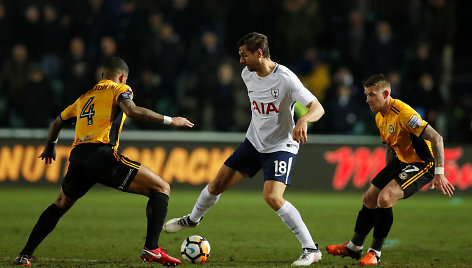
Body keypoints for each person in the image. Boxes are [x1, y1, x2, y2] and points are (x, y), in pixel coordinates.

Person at [163, 32, 325, 266]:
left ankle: (311, 250)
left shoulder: (286, 78)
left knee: (272, 197)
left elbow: (318, 107)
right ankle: (192, 219)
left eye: (244, 55)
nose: (240, 61)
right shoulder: (247, 74)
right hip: (253, 142)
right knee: (215, 185)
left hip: (280, 146)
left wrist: (303, 120)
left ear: (259, 53)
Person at [14, 57, 194, 267]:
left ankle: (24, 254)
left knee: (60, 204)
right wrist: (171, 120)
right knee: (162, 188)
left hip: (78, 156)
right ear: (122, 76)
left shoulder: (83, 97)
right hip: (101, 155)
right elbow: (132, 111)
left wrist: (51, 145)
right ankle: (151, 249)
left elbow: (57, 122)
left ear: (101, 76)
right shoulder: (119, 89)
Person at [326, 74, 455, 265]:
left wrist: (439, 173)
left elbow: (437, 138)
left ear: (386, 93)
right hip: (401, 160)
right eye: (366, 95)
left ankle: (375, 253)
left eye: (371, 95)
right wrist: (388, 175)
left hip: (422, 163)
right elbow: (390, 147)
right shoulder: (380, 117)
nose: (367, 99)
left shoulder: (404, 113)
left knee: (384, 198)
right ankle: (354, 247)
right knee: (369, 198)